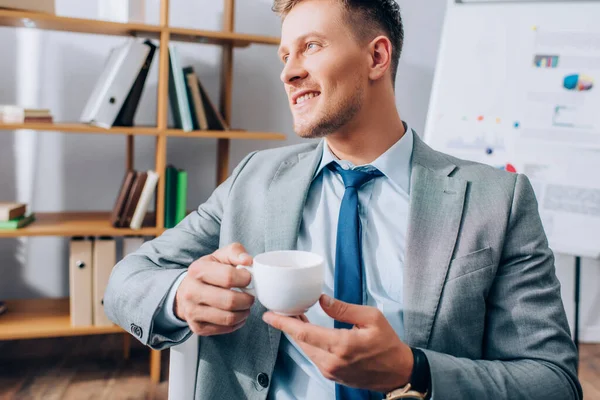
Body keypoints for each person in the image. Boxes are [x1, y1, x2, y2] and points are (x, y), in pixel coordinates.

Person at [104, 0, 582, 399]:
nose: (289, 73)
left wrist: (414, 369)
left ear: (377, 57)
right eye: (284, 56)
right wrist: (179, 297)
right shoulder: (253, 179)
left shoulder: (497, 200)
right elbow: (127, 279)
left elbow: (553, 380)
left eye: (311, 46)